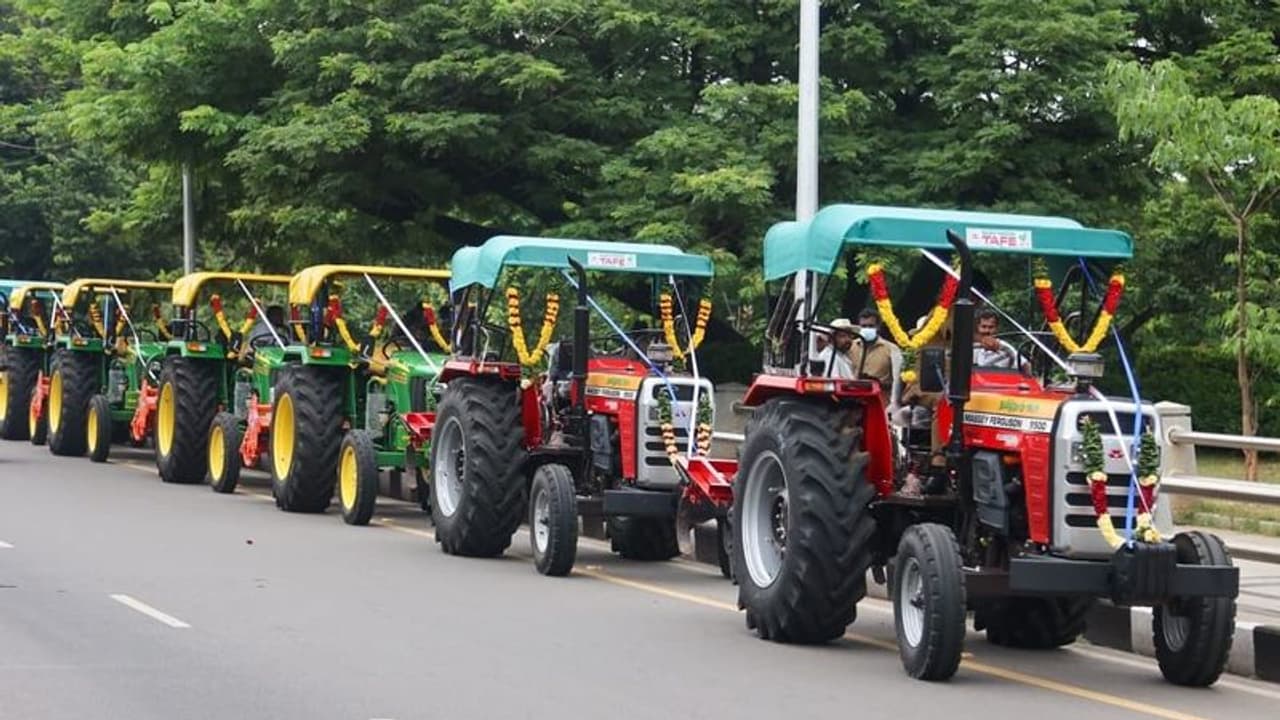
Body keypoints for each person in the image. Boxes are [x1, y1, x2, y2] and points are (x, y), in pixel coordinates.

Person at [850, 309, 895, 403]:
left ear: (878, 327)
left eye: (871, 326)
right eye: (863, 326)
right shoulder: (851, 347)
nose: (867, 329)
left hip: (880, 403)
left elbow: (898, 382)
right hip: (853, 401)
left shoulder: (891, 349)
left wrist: (877, 383)